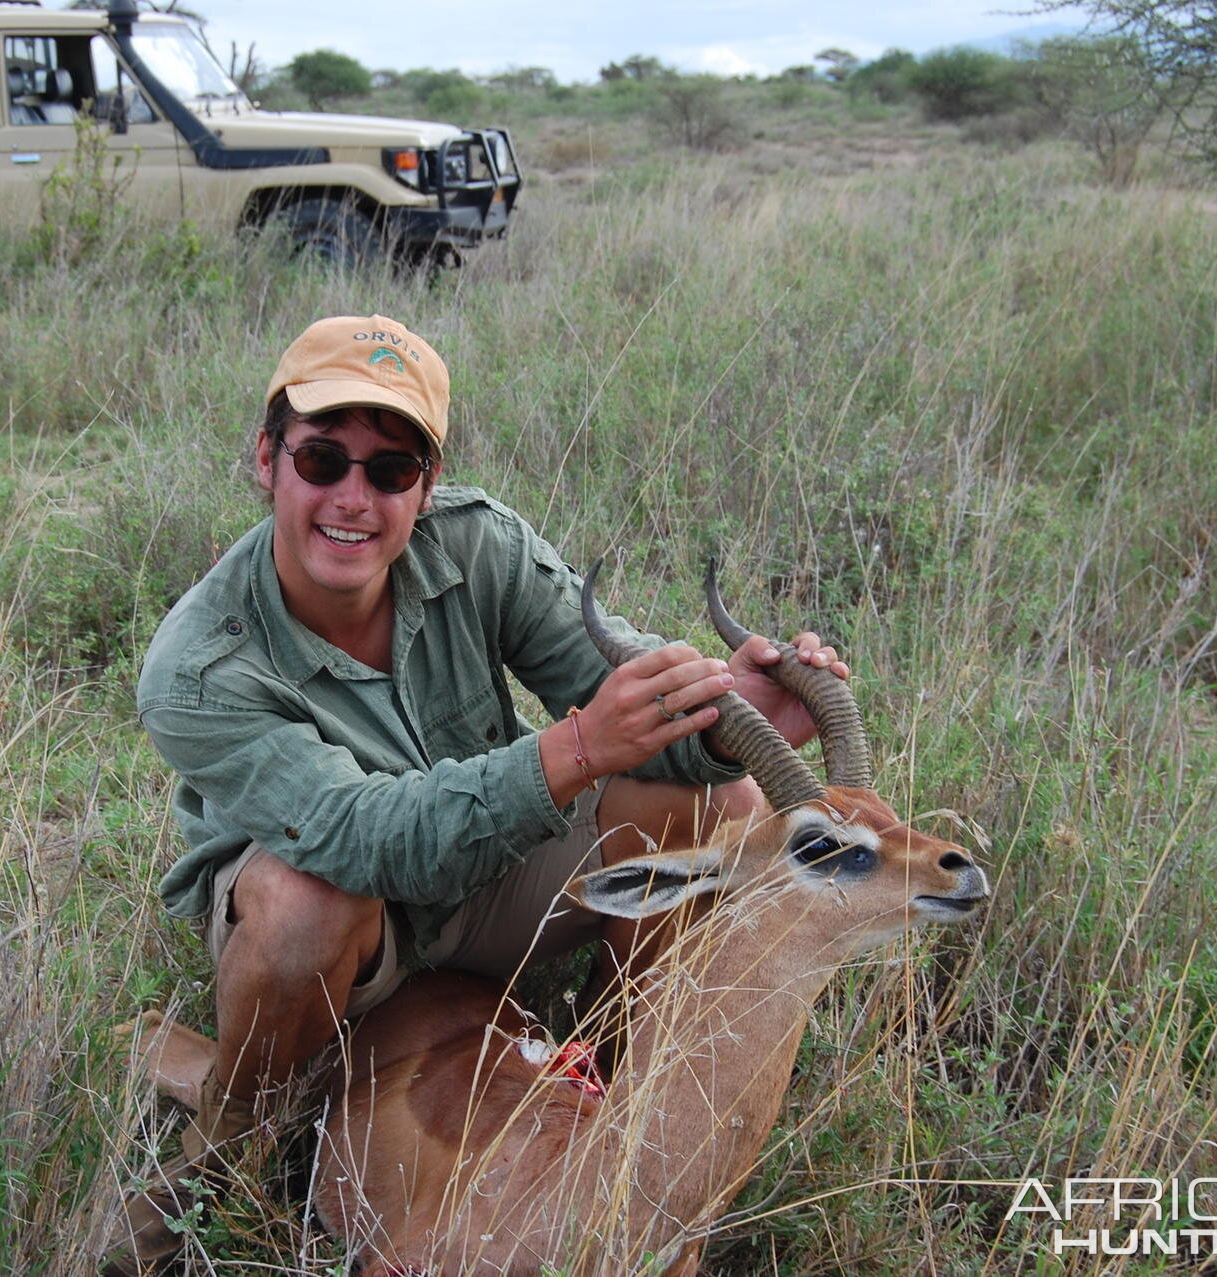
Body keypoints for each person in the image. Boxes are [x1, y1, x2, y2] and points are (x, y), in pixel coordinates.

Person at [116, 314, 848, 1269]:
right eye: (324, 458)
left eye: (390, 471)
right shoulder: (198, 663)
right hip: (349, 928)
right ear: (267, 459)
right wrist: (578, 745)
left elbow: (620, 695)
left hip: (484, 881)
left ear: (425, 484)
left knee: (722, 809)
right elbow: (362, 841)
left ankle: (603, 1121)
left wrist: (731, 723)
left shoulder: (480, 544)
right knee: (305, 901)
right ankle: (222, 1157)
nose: (353, 497)